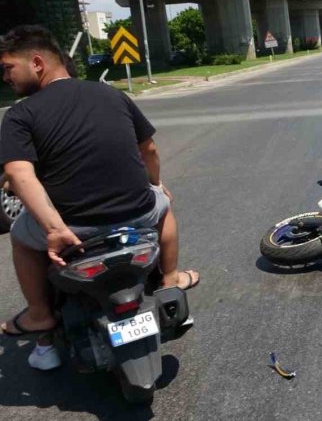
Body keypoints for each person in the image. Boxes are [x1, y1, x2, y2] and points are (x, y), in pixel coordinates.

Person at [0, 25, 199, 369]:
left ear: (36, 63)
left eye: (8, 68)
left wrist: (54, 228)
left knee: (20, 237)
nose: (5, 77)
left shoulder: (20, 114)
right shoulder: (112, 95)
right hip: (137, 216)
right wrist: (156, 184)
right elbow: (148, 149)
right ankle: (170, 280)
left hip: (75, 229)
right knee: (164, 206)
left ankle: (39, 315)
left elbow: (19, 175)